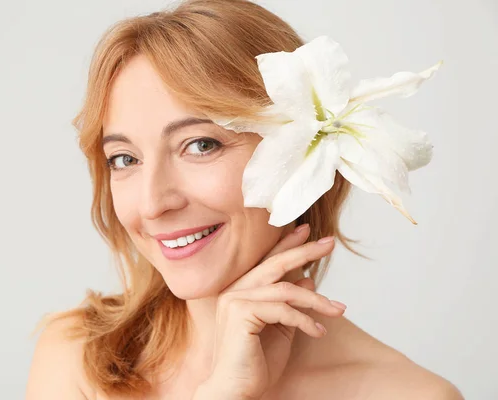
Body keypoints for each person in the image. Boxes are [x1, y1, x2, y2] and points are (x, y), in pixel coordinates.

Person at [25, 0, 463, 398]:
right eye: (124, 159)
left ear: (306, 155)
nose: (153, 203)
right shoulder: (77, 358)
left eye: (201, 145)